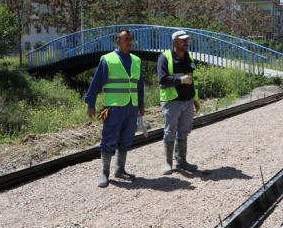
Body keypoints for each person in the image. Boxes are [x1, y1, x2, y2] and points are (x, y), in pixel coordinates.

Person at [85, 30, 145, 187]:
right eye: (126, 39)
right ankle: (105, 174)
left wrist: (141, 105)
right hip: (114, 108)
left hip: (131, 106)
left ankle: (120, 170)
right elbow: (96, 83)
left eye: (130, 39)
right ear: (117, 42)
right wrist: (91, 103)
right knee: (109, 139)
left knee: (126, 139)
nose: (129, 42)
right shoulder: (108, 60)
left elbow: (140, 86)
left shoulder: (137, 60)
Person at [157, 30, 200, 175]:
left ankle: (181, 161)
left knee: (183, 133)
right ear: (174, 42)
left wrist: (195, 99)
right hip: (171, 101)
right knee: (170, 133)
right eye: (182, 40)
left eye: (187, 39)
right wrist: (181, 80)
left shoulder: (190, 58)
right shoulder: (165, 58)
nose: (186, 42)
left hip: (187, 101)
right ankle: (168, 164)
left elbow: (195, 81)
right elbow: (162, 79)